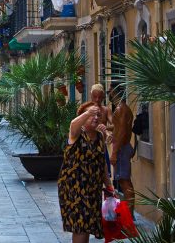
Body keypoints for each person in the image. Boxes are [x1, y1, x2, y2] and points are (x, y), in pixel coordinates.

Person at [58, 103, 114, 243]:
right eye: (91, 115)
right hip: (74, 189)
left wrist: (109, 186)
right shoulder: (76, 134)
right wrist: (87, 113)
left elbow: (102, 165)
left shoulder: (100, 136)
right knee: (81, 226)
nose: (95, 118)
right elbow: (73, 124)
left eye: (97, 115)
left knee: (87, 225)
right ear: (82, 118)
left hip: (92, 189)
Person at [109, 85, 135, 215]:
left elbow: (123, 131)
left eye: (110, 90)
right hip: (122, 147)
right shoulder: (122, 109)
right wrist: (110, 131)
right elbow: (119, 128)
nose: (108, 92)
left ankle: (129, 215)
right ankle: (128, 213)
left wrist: (114, 152)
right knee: (122, 180)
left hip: (122, 149)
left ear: (115, 92)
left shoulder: (121, 109)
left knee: (124, 181)